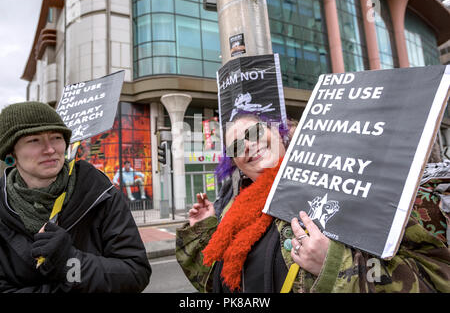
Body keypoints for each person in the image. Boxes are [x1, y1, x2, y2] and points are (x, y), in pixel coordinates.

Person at [176, 111, 450, 293]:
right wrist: (202, 233)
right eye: (236, 146)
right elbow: (214, 286)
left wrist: (335, 266)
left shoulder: (350, 183)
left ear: (280, 133)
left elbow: (437, 278)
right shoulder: (234, 213)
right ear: (233, 162)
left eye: (255, 132)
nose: (247, 146)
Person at [0, 102, 151, 292]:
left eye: (56, 137)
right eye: (34, 140)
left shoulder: (100, 194)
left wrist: (69, 261)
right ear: (11, 152)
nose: (50, 149)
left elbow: (135, 274)